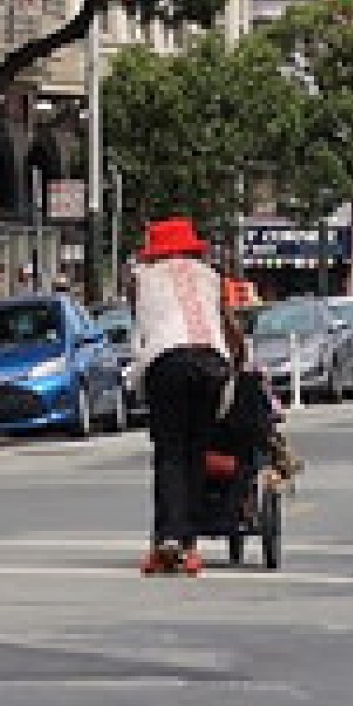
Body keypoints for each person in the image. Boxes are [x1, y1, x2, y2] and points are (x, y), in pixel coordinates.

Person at [128, 214, 231, 577]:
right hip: (211, 362)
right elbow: (227, 324)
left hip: (168, 361)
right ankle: (189, 544)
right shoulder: (211, 277)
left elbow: (142, 331)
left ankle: (167, 538)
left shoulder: (143, 279)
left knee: (169, 451)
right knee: (195, 452)